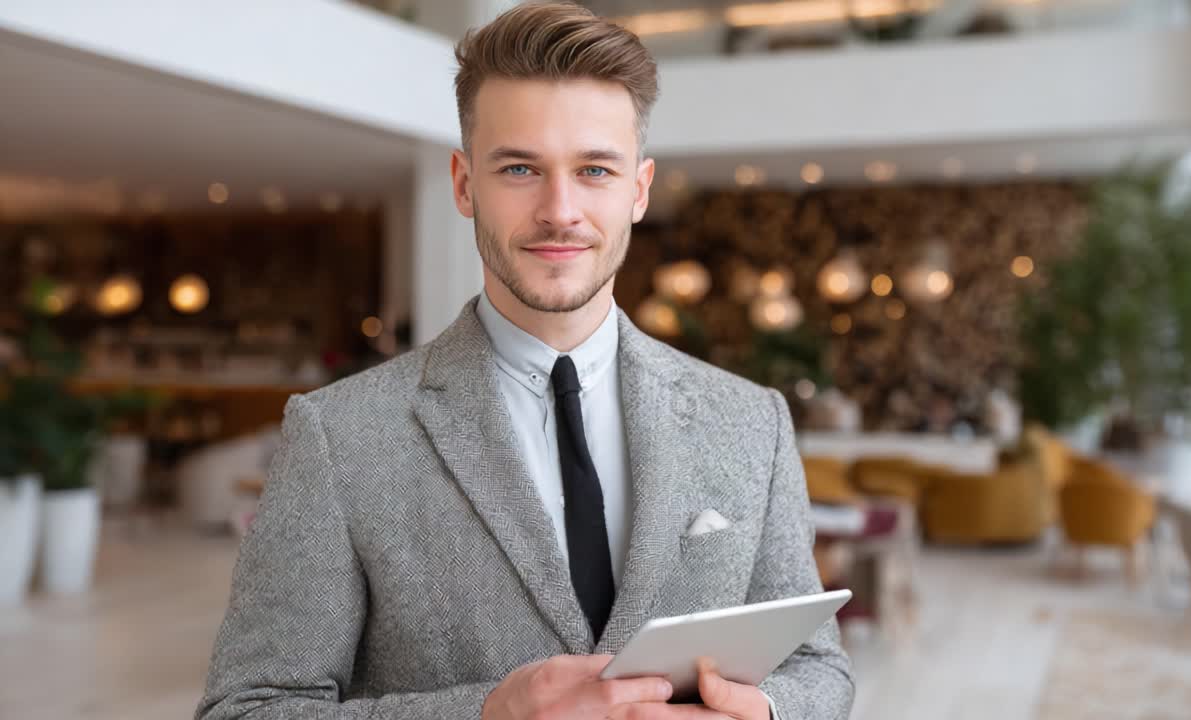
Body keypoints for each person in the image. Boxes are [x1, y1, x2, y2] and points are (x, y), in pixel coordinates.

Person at [195, 3, 853, 719]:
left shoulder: (750, 421)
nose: (560, 210)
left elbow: (818, 670)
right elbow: (248, 709)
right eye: (519, 168)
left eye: (595, 169)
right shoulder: (337, 435)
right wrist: (487, 714)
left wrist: (766, 713)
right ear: (464, 183)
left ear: (639, 189)